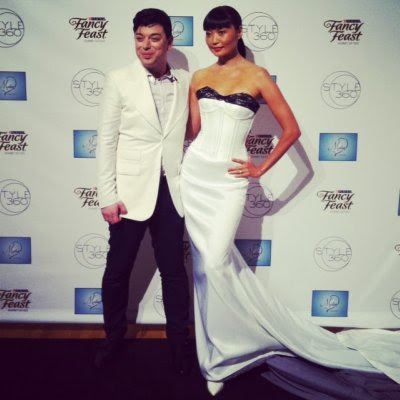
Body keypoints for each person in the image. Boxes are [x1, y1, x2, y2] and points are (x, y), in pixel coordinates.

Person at [180, 5, 400, 396]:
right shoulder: (199, 76)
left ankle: (233, 348)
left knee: (215, 261)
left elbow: (292, 129)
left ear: (238, 32)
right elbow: (193, 131)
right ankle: (214, 356)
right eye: (209, 33)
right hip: (196, 176)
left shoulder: (257, 76)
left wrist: (260, 169)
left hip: (229, 182)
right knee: (203, 269)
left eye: (222, 31)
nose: (214, 40)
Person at [96, 8, 190, 374]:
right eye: (139, 38)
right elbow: (106, 141)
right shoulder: (118, 79)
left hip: (171, 191)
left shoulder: (186, 81)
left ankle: (179, 345)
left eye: (154, 38)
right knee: (117, 271)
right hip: (129, 193)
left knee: (174, 273)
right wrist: (107, 195)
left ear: (168, 41)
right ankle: (113, 339)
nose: (145, 46)